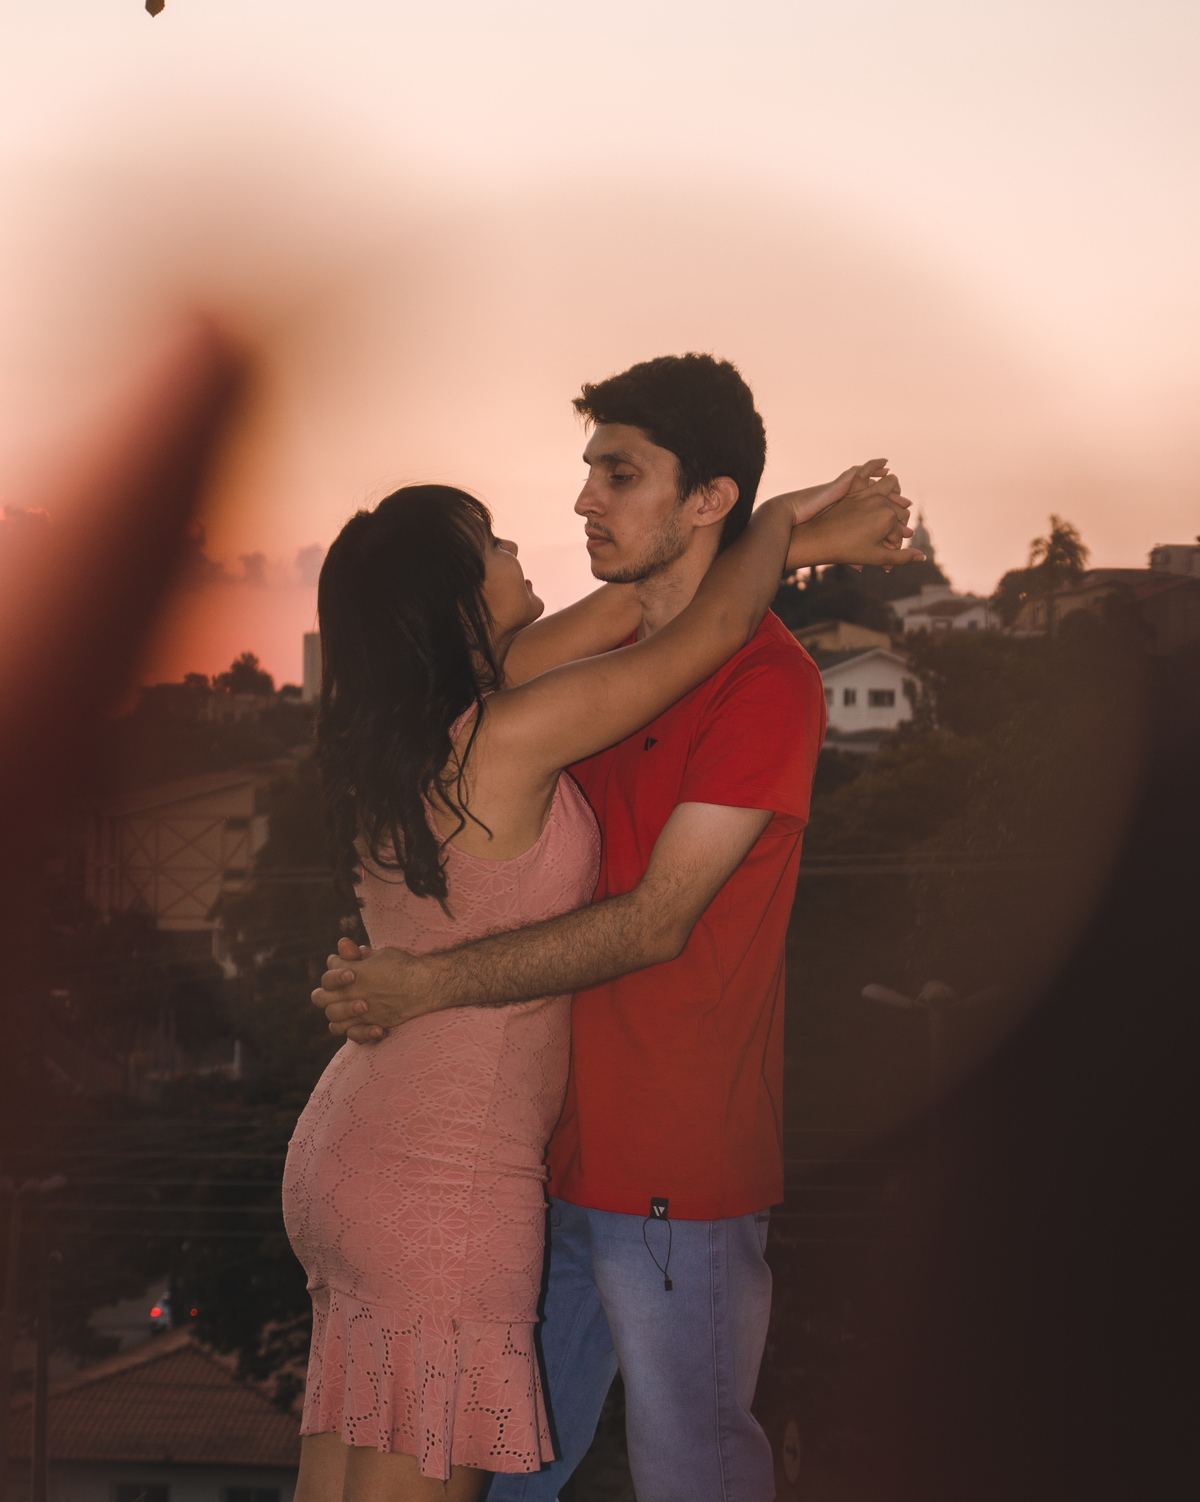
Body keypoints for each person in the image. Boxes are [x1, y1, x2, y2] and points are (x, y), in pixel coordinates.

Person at [312, 353, 923, 1502]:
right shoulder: (568, 677)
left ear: (708, 497)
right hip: (526, 1152)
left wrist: (424, 981)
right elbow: (664, 611)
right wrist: (786, 531)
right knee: (498, 1476)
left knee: (687, 1468)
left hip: (667, 1162)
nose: (582, 499)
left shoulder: (763, 683)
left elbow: (654, 922)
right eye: (589, 469)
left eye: (620, 473)